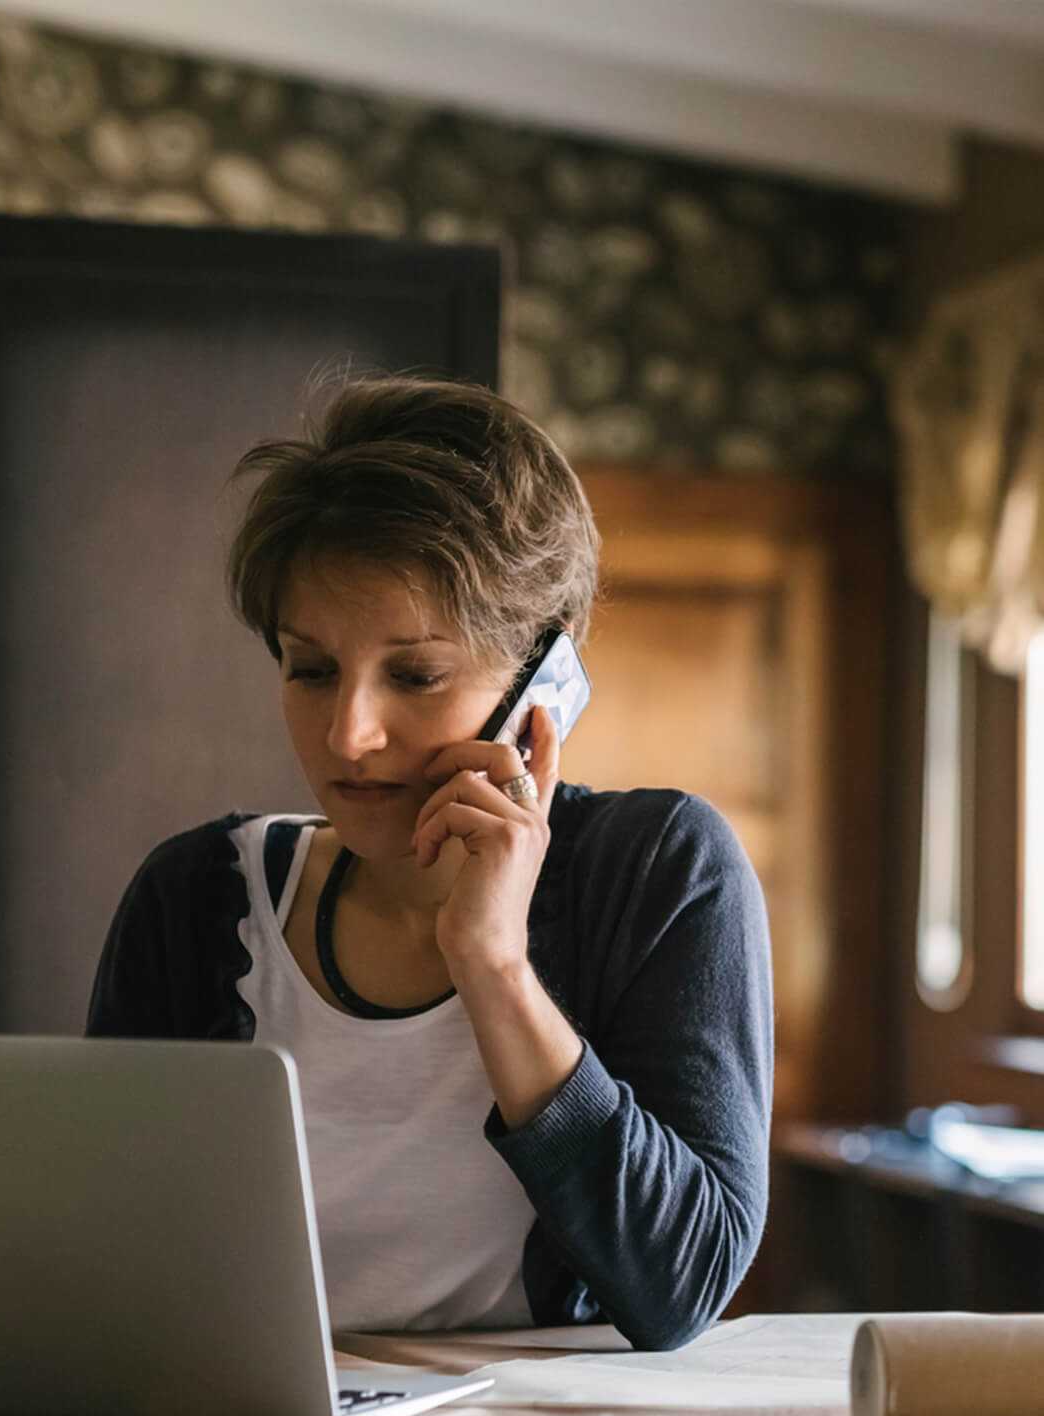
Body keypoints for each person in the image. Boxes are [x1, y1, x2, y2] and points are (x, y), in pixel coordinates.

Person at [88, 374, 772, 1349]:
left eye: (414, 674)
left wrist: (492, 962)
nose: (349, 733)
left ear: (544, 684)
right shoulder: (195, 900)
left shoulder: (660, 870)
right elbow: (107, 1260)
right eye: (309, 667)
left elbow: (678, 1287)